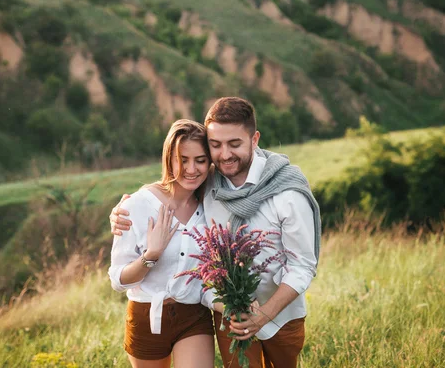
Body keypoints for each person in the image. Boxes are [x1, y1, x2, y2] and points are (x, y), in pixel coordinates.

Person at [110, 97, 321, 368]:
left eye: (234, 144)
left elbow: (302, 265)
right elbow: (176, 181)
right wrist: (124, 208)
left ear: (254, 139)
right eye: (216, 145)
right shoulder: (210, 182)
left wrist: (263, 315)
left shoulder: (287, 192)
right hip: (227, 315)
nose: (224, 154)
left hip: (281, 315)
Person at [107, 119, 215, 368]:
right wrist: (151, 255)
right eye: (182, 159)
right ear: (169, 159)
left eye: (200, 160)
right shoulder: (137, 206)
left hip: (193, 314)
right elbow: (118, 280)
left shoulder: (211, 205)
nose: (191, 169)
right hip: (147, 315)